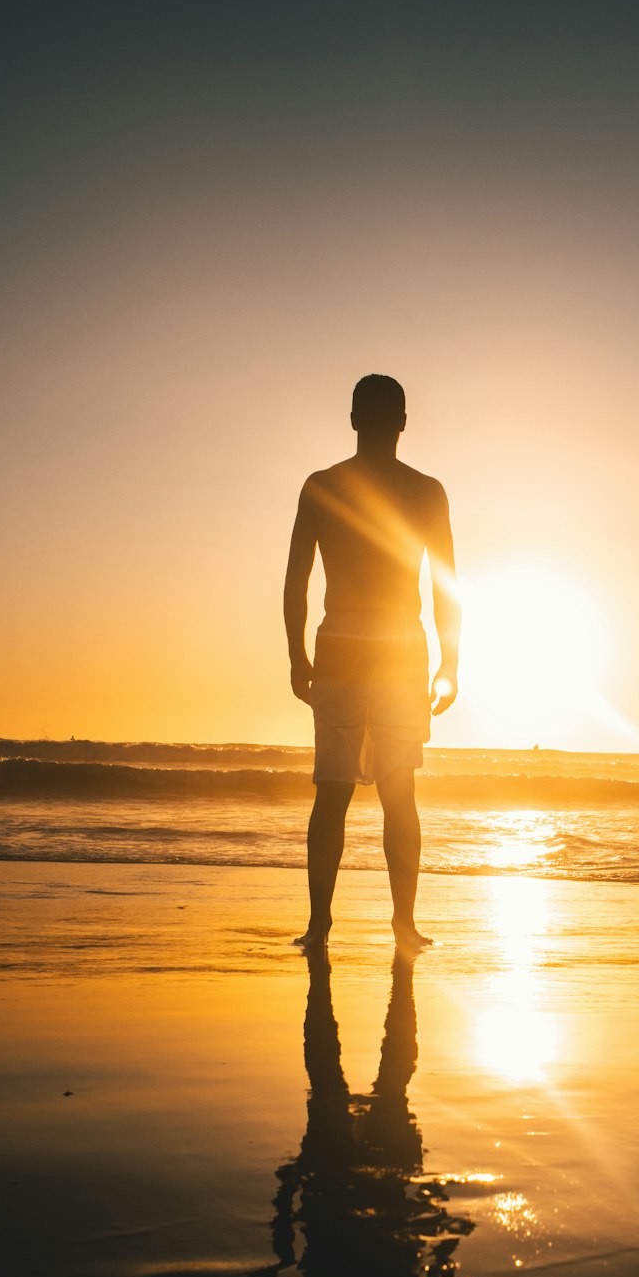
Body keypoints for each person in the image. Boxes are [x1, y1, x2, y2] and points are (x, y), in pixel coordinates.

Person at [284, 374, 459, 955]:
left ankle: (319, 926)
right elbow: (445, 586)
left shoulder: (322, 485)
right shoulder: (426, 491)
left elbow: (297, 579)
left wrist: (296, 653)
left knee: (332, 793)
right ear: (403, 422)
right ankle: (402, 926)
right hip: (399, 650)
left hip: (342, 647)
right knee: (398, 791)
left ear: (354, 419)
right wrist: (450, 661)